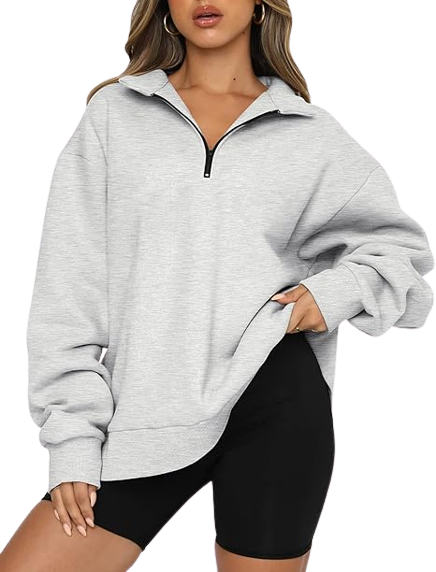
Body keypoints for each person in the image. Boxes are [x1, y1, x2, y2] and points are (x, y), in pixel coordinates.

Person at [2, 1, 434, 571]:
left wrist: (329, 297)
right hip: (141, 418)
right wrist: (73, 440)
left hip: (276, 407)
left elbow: (404, 253)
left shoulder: (310, 133)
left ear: (259, 6)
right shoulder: (114, 116)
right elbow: (67, 294)